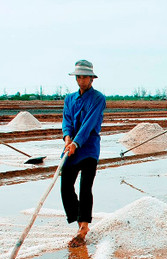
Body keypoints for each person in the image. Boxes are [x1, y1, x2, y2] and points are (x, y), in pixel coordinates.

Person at [61, 60, 106, 248]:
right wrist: (67, 140)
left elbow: (89, 124)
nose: (81, 80)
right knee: (65, 187)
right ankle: (79, 221)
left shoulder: (98, 98)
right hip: (71, 149)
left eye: (84, 77)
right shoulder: (69, 99)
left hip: (88, 149)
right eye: (78, 77)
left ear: (92, 78)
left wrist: (77, 143)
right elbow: (67, 121)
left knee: (85, 188)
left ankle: (84, 227)